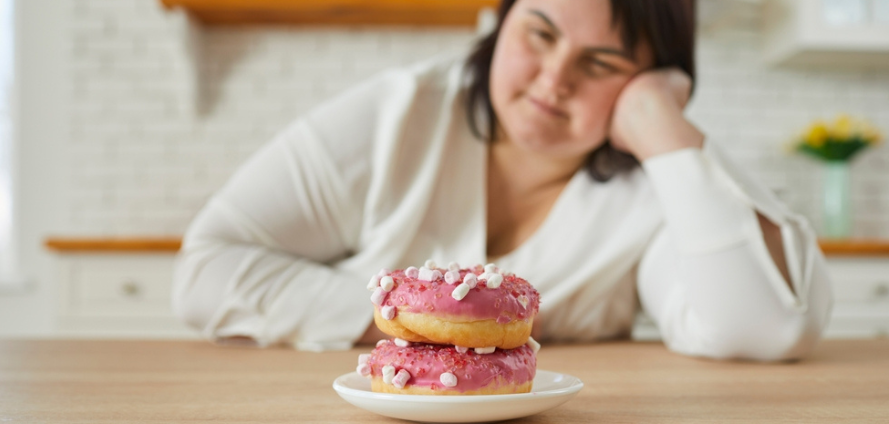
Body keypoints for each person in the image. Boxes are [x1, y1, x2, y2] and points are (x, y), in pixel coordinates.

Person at [171, 0, 832, 359]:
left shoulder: (657, 194)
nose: (554, 80)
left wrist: (662, 127)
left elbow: (763, 327)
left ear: (650, 80)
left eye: (601, 63)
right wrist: (437, 328)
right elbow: (206, 267)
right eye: (539, 34)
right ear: (500, 21)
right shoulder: (399, 113)